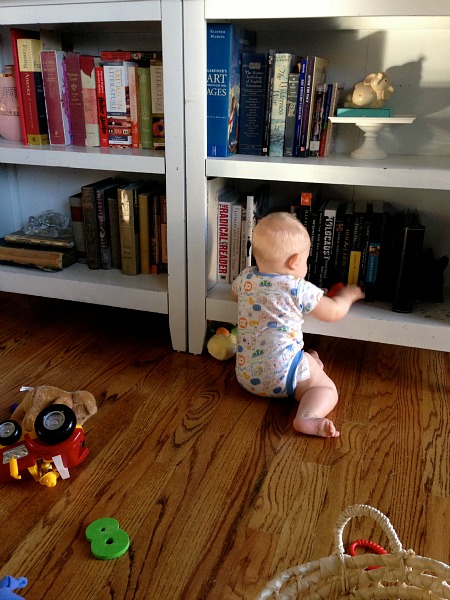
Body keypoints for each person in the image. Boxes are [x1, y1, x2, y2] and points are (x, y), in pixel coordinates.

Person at [231, 211, 365, 438]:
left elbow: (234, 296)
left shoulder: (246, 278)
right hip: (282, 374)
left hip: (246, 375)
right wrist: (348, 295)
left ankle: (310, 364)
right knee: (325, 389)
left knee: (309, 358)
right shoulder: (298, 287)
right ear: (294, 261)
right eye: (305, 260)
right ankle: (307, 417)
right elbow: (333, 311)